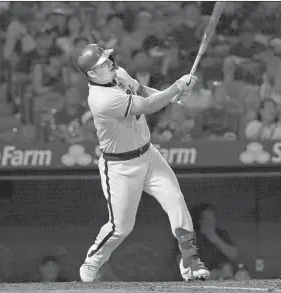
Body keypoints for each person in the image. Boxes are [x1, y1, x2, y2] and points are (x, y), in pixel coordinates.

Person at [72, 43, 210, 282]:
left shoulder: (119, 74)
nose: (110, 64)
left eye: (108, 59)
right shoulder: (102, 99)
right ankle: (93, 259)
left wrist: (172, 95)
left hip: (148, 155)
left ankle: (190, 260)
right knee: (121, 227)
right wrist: (175, 87)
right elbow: (147, 107)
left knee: (175, 200)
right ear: (92, 74)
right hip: (119, 167)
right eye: (102, 64)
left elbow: (143, 92)